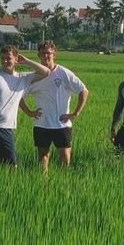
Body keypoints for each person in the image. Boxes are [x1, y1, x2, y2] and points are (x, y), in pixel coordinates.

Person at [21, 41, 89, 172]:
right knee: (42, 156)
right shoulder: (33, 77)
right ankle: (43, 183)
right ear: (38, 55)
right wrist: (29, 112)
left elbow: (83, 91)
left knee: (64, 156)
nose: (46, 56)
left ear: (54, 55)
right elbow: (18, 96)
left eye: (49, 53)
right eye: (43, 53)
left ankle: (63, 182)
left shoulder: (63, 73)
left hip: (61, 124)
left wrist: (75, 113)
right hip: (42, 124)